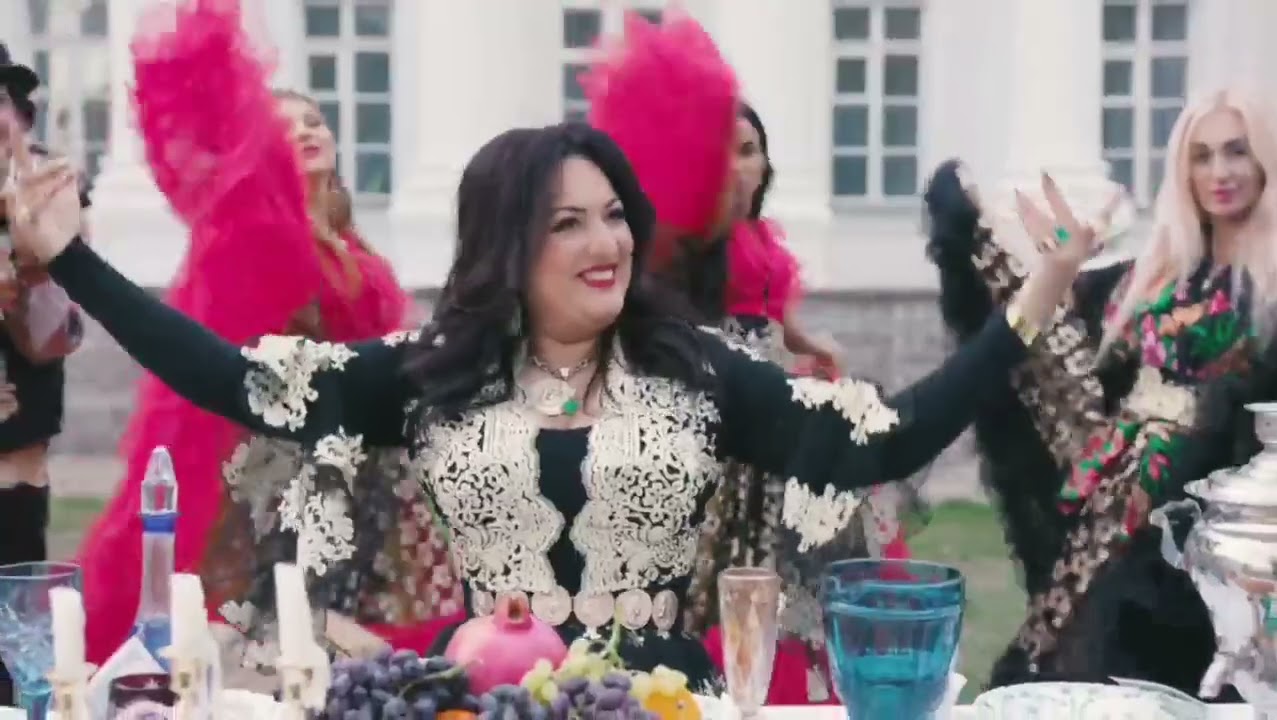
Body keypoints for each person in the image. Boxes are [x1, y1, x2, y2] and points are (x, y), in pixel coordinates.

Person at [12, 0, 1095, 689]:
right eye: (567, 222)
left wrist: (1039, 291)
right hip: (484, 694)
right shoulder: (434, 373)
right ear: (508, 247)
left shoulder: (699, 371)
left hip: (665, 702)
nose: (606, 242)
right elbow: (235, 379)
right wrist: (75, 262)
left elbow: (888, 438)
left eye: (614, 215)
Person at [71, 1, 461, 671]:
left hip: (369, 466)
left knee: (368, 638)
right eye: (286, 125)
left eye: (314, 120)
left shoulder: (354, 247)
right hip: (286, 464)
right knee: (280, 636)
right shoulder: (258, 241)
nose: (307, 130)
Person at [582, 18, 915, 702]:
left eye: (750, 151)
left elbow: (777, 319)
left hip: (771, 408)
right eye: (725, 151)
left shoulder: (762, 240)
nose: (739, 166)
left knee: (803, 567)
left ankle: (799, 679)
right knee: (727, 566)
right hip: (723, 415)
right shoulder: (688, 249)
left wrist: (811, 349)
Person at [922, 87, 1277, 699]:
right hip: (1111, 531)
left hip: (1213, 551)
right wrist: (1045, 263)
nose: (1220, 172)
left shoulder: (1271, 291)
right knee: (1074, 675)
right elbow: (1060, 350)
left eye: (1236, 151)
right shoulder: (1153, 279)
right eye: (1202, 156)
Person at [0, 41, 88, 707]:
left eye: (6, 101)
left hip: (17, 458)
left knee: (19, 650)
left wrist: (33, 253)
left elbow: (56, 337)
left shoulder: (48, 191)